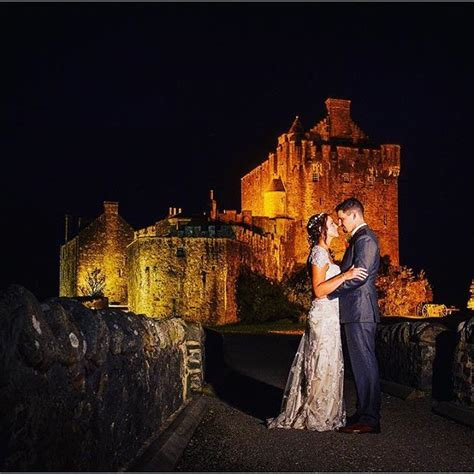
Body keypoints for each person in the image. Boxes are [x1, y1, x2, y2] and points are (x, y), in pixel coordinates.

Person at [267, 212, 368, 431]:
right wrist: (345, 275)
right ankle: (315, 413)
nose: (336, 225)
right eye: (332, 223)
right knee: (320, 361)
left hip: (330, 315)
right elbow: (319, 290)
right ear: (322, 230)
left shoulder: (326, 253)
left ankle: (325, 411)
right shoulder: (318, 253)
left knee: (330, 361)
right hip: (322, 314)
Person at [327, 197, 382, 434]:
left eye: (342, 218)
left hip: (361, 310)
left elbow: (359, 276)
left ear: (354, 215)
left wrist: (328, 292)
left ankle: (369, 419)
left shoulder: (366, 239)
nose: (340, 224)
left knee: (365, 363)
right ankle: (363, 413)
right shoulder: (359, 239)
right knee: (360, 364)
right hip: (355, 310)